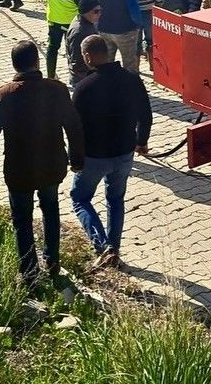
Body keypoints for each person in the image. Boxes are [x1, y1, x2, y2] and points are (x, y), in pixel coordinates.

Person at [0, 40, 83, 282]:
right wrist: (77, 158)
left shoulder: (2, 95)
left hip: (18, 170)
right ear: (37, 62)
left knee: (22, 219)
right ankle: (52, 259)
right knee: (50, 208)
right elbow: (74, 126)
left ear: (14, 65)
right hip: (52, 164)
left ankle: (28, 271)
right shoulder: (56, 89)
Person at [70, 35, 152, 269]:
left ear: (87, 57)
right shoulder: (132, 80)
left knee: (80, 198)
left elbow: (74, 129)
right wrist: (141, 141)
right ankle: (114, 250)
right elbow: (145, 114)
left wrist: (74, 158)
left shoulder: (83, 88)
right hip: (125, 153)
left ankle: (102, 245)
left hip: (94, 157)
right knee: (115, 199)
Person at [89, 0, 143, 74]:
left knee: (105, 64)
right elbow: (133, 7)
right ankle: (130, 89)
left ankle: (108, 88)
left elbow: (90, 0)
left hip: (102, 27)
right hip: (125, 30)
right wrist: (139, 24)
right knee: (129, 65)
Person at [41, 0, 85, 80]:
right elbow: (82, 0)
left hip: (53, 17)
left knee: (52, 48)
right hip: (70, 20)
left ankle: (50, 77)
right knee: (73, 50)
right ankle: (75, 78)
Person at [130, 0, 163, 64]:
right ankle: (152, 65)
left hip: (134, 15)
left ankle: (137, 67)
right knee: (151, 41)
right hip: (149, 13)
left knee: (136, 42)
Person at [65, 0, 101, 87]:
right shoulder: (79, 32)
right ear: (85, 12)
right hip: (83, 79)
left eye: (100, 11)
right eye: (96, 11)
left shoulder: (87, 22)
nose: (99, 14)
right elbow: (76, 62)